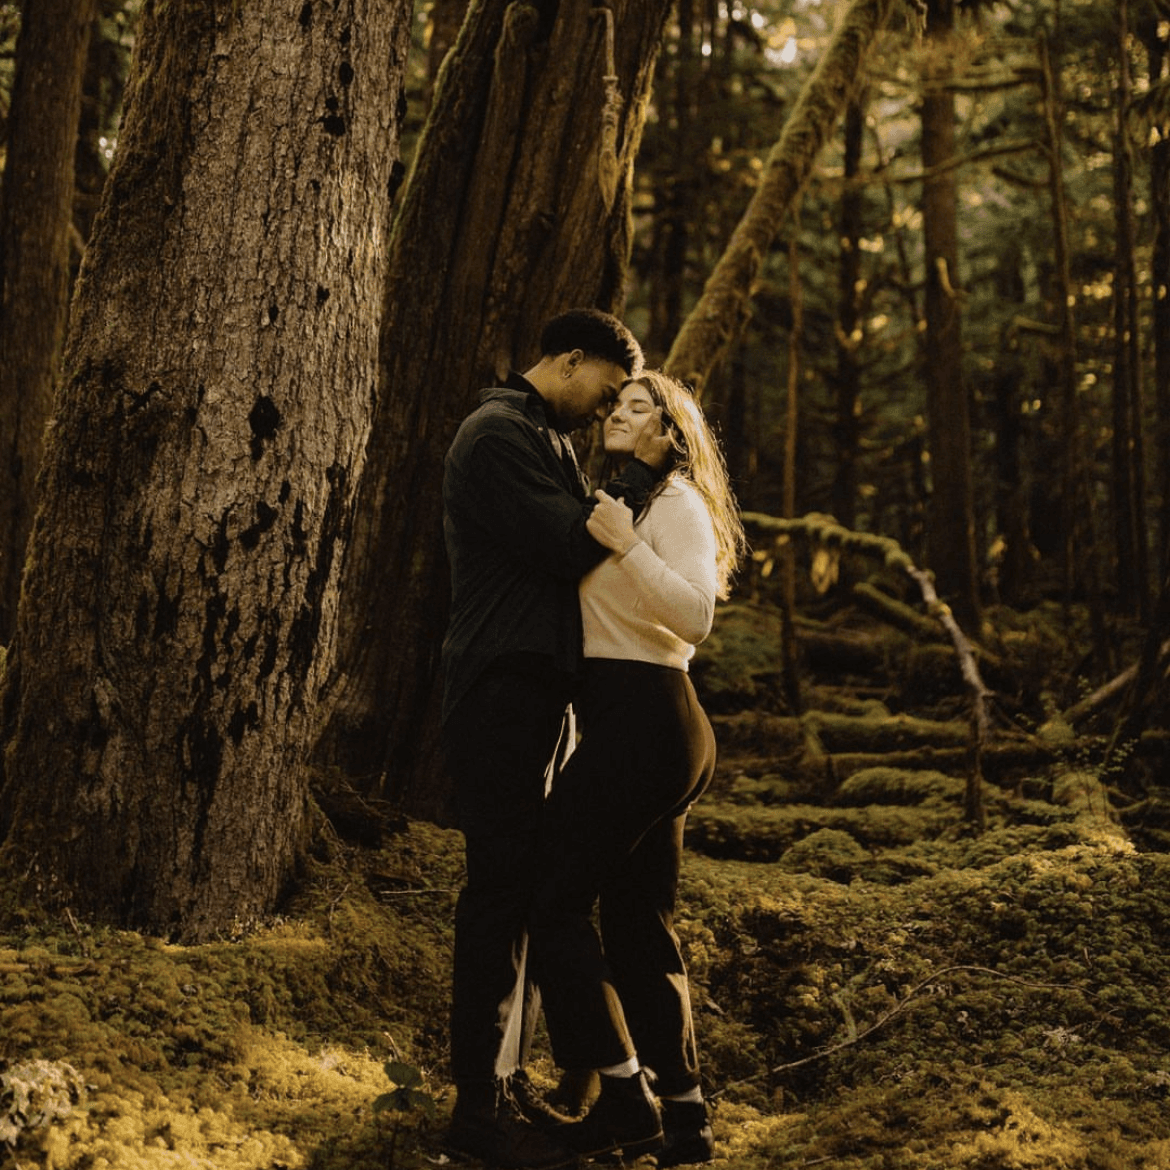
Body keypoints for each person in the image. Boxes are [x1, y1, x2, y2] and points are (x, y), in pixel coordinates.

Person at [440, 309, 673, 1169]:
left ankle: (506, 1085)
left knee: (530, 890)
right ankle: (475, 1111)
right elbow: (571, 541)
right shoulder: (497, 433)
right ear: (569, 360)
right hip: (500, 689)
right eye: (608, 388)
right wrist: (646, 482)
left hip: (535, 690)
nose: (608, 406)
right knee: (500, 890)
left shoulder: (542, 436)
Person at [527, 370, 746, 1165]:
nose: (620, 412)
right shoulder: (618, 495)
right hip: (632, 725)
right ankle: (684, 1122)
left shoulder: (676, 505)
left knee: (547, 898)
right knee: (633, 922)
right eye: (616, 404)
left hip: (651, 721)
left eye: (640, 406)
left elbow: (695, 615)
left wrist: (625, 545)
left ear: (671, 427)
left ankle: (626, 1098)